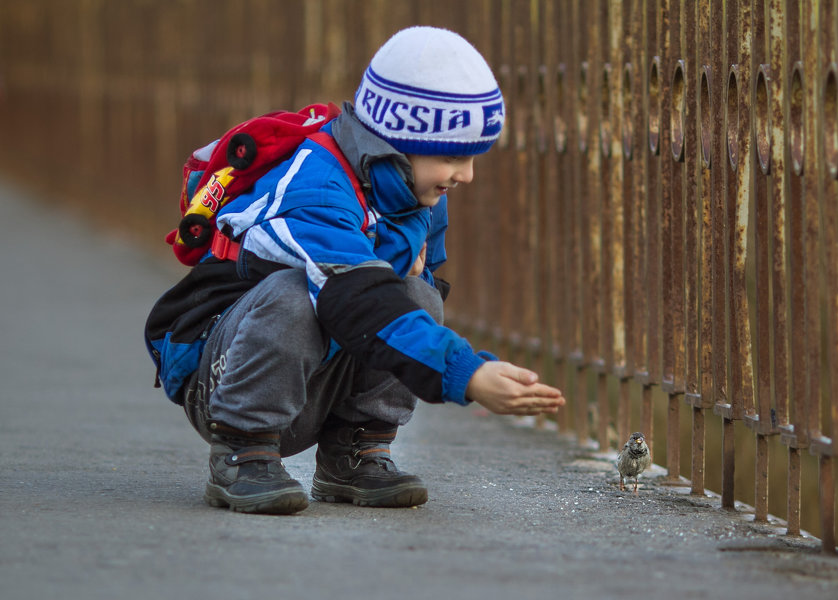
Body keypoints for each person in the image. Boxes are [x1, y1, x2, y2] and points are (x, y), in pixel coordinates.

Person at [144, 26, 565, 515]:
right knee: (297, 294)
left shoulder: (413, 194)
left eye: (472, 157)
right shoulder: (318, 187)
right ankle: (244, 453)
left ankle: (354, 451)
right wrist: (466, 373)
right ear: (398, 140)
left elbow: (391, 305)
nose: (466, 175)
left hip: (315, 379)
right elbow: (359, 301)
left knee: (418, 296)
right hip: (225, 384)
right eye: (453, 156)